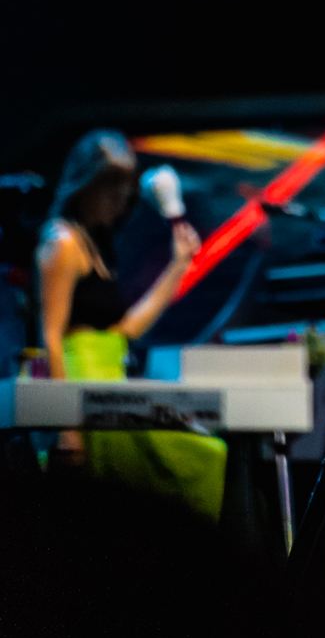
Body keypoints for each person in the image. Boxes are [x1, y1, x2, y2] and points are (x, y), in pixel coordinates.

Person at [36, 129, 225, 518]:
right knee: (198, 457)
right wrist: (65, 425)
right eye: (111, 187)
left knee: (206, 451)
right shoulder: (62, 242)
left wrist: (178, 265)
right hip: (82, 390)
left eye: (125, 189)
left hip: (111, 382)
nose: (121, 200)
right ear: (85, 184)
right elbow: (50, 337)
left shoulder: (95, 244)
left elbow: (128, 330)